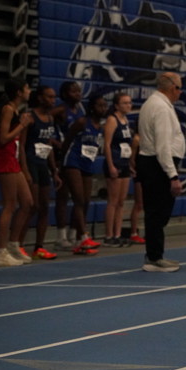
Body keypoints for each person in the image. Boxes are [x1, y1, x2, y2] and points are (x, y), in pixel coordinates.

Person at [137, 71, 186, 272]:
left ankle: (154, 254)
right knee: (158, 213)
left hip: (152, 163)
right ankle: (154, 257)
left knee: (156, 213)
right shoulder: (161, 108)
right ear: (172, 88)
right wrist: (173, 176)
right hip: (157, 165)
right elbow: (163, 146)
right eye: (179, 88)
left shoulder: (153, 103)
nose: (180, 93)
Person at [61, 94, 108, 255]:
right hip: (73, 161)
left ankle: (77, 238)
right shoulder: (82, 122)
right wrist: (60, 165)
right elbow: (67, 141)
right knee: (79, 199)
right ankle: (83, 236)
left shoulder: (100, 127)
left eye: (105, 105)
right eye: (100, 105)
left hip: (88, 163)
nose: (103, 108)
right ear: (92, 107)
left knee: (86, 201)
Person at [0, 81, 34, 267]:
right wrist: (22, 125)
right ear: (19, 92)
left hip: (13, 159)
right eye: (27, 88)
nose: (29, 91)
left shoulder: (16, 110)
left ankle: (13, 244)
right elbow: (3, 138)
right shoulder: (8, 109)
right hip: (4, 159)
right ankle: (0, 251)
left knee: (27, 202)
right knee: (10, 205)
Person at [20, 85, 61, 260]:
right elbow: (21, 146)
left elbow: (48, 145)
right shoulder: (29, 117)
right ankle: (18, 245)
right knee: (32, 206)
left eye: (54, 97)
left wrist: (54, 171)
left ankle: (39, 247)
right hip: (31, 163)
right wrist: (25, 170)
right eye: (49, 97)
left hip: (43, 165)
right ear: (40, 98)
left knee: (44, 207)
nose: (53, 100)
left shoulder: (50, 118)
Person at [51, 80, 83, 250]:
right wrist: (55, 142)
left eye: (79, 91)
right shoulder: (60, 110)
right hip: (63, 156)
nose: (78, 94)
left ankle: (74, 233)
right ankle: (60, 236)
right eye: (73, 91)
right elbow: (43, 123)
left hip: (78, 155)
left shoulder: (81, 110)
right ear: (64, 94)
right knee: (63, 196)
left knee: (79, 197)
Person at [102, 92, 134, 246]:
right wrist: (110, 165)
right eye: (125, 103)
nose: (128, 105)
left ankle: (118, 233)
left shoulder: (125, 120)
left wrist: (130, 164)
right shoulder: (112, 120)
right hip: (114, 162)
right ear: (116, 105)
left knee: (121, 201)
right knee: (113, 201)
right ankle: (108, 235)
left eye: (129, 102)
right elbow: (107, 144)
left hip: (124, 162)